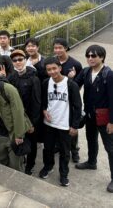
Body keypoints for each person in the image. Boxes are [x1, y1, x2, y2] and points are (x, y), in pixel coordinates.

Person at [75, 45, 113, 193]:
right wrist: (70, 78)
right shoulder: (85, 72)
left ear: (102, 57)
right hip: (90, 115)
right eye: (88, 56)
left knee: (110, 148)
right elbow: (74, 85)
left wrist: (111, 121)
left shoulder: (109, 75)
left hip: (105, 118)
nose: (90, 58)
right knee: (91, 139)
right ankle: (92, 162)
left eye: (94, 56)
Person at [40, 57, 82, 187]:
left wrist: (75, 126)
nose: (52, 71)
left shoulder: (71, 84)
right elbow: (43, 100)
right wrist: (44, 110)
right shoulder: (46, 83)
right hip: (49, 123)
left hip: (65, 125)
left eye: (54, 68)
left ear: (60, 68)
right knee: (48, 149)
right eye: (49, 69)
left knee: (64, 152)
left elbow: (78, 106)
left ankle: (64, 175)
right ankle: (48, 166)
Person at [8, 49, 41, 175]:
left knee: (31, 143)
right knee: (19, 140)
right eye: (15, 60)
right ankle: (21, 161)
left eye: (20, 59)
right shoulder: (11, 77)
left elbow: (37, 103)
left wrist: (32, 123)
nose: (18, 62)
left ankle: (30, 164)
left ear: (25, 60)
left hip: (30, 117)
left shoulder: (33, 78)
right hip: (17, 117)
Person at [53, 38, 83, 163]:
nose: (58, 50)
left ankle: (74, 150)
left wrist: (72, 79)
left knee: (72, 126)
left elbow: (79, 84)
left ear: (66, 48)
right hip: (57, 99)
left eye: (60, 47)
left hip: (70, 100)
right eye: (55, 48)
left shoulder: (75, 64)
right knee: (58, 123)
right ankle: (58, 146)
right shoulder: (53, 62)